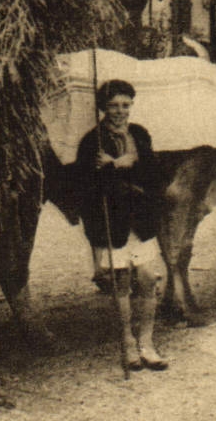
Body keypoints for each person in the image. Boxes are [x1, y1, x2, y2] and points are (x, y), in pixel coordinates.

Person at [71, 79, 168, 372]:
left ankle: (147, 344)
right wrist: (108, 170)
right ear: (103, 107)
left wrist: (123, 163)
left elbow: (154, 174)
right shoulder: (92, 141)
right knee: (122, 284)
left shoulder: (140, 134)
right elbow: (85, 188)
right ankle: (127, 344)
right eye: (113, 105)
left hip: (141, 220)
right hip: (112, 223)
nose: (120, 111)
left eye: (125, 105)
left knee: (149, 278)